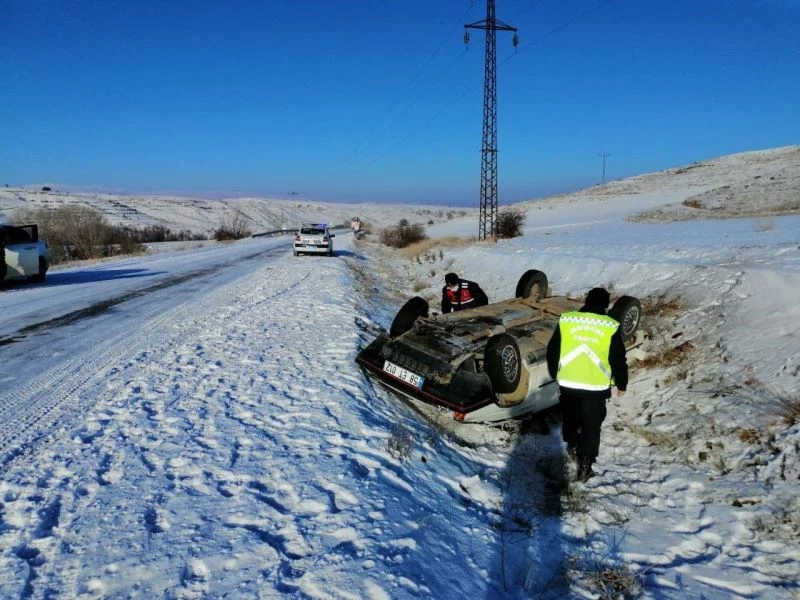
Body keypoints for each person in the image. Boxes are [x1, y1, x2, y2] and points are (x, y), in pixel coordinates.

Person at [546, 287, 628, 482]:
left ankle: (572, 445)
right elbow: (617, 358)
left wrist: (555, 373)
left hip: (568, 384)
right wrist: (621, 383)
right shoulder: (611, 325)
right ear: (606, 304)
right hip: (595, 388)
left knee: (570, 418)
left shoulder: (567, 320)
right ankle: (585, 466)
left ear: (586, 300)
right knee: (592, 427)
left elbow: (553, 350)